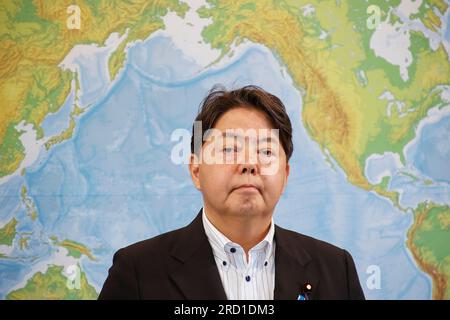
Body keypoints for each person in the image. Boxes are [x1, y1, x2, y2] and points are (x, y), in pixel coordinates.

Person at [98, 85, 365, 300]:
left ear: (285, 175)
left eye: (266, 152)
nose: (249, 164)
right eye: (229, 150)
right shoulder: (138, 271)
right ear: (196, 170)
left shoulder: (335, 269)